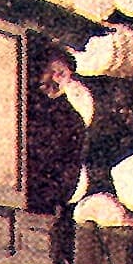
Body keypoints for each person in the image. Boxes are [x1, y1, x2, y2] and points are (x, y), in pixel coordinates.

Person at [27, 46, 88, 215]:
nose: (55, 79)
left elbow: (67, 178)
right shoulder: (18, 98)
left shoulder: (71, 123)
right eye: (51, 71)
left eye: (61, 74)